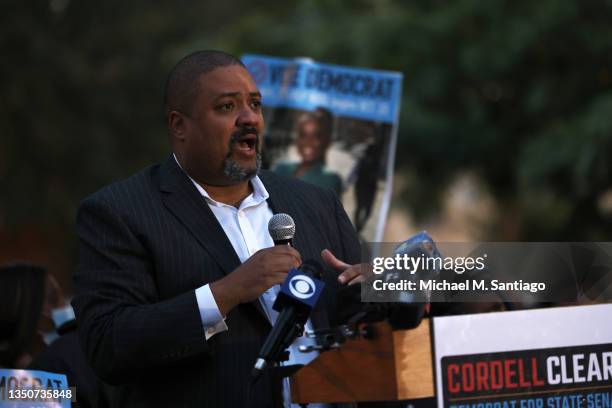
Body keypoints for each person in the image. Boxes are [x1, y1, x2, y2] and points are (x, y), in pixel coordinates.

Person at [72, 50, 366, 408]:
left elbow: (355, 316)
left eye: (255, 105)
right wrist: (225, 292)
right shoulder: (119, 212)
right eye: (227, 107)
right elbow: (107, 345)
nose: (250, 119)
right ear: (179, 125)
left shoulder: (316, 203)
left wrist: (389, 293)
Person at [273, 108, 342, 195]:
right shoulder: (281, 169)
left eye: (317, 136)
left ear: (327, 141)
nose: (308, 142)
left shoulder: (330, 180)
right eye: (303, 135)